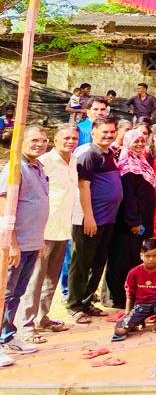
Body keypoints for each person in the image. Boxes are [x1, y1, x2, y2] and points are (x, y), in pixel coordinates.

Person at [19, 124, 77, 337]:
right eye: (66, 138)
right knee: (35, 278)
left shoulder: (73, 160)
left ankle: (42, 317)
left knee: (51, 277)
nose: (70, 141)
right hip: (43, 230)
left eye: (74, 138)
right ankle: (26, 324)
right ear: (56, 140)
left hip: (63, 227)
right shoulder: (43, 162)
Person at [0, 126, 50, 361]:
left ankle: (8, 336)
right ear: (22, 141)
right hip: (15, 243)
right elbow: (4, 203)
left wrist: (39, 240)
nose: (40, 144)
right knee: (5, 292)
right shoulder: (14, 167)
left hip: (32, 241)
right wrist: (11, 243)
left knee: (17, 292)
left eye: (44, 140)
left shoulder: (38, 167)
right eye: (34, 140)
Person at [68, 117, 122, 324]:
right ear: (93, 133)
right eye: (104, 132)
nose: (109, 135)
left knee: (98, 262)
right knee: (82, 263)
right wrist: (88, 217)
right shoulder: (88, 154)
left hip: (108, 219)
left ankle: (86, 301)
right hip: (91, 219)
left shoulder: (109, 153)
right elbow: (84, 187)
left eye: (112, 132)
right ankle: (74, 305)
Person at [106, 128, 156, 309]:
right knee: (122, 259)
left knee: (135, 258)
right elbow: (128, 196)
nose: (140, 144)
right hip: (129, 223)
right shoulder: (127, 164)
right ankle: (118, 298)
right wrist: (134, 222)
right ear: (128, 142)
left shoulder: (141, 161)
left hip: (142, 219)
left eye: (142, 141)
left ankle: (131, 296)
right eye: (136, 141)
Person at [112, 237, 156, 342]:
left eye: (155, 255)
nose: (151, 259)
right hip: (141, 305)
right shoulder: (133, 273)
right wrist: (127, 316)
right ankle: (139, 320)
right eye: (147, 256)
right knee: (119, 330)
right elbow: (130, 296)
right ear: (141, 256)